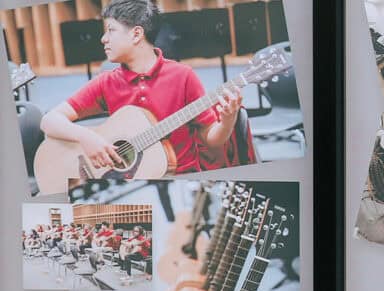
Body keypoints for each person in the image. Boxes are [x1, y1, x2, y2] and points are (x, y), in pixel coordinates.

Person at [39, 0, 246, 175]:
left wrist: (227, 121)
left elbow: (212, 140)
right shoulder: (106, 82)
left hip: (181, 176)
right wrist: (86, 136)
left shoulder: (183, 76)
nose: (103, 39)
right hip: (129, 181)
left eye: (111, 30)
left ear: (136, 34)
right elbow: (49, 120)